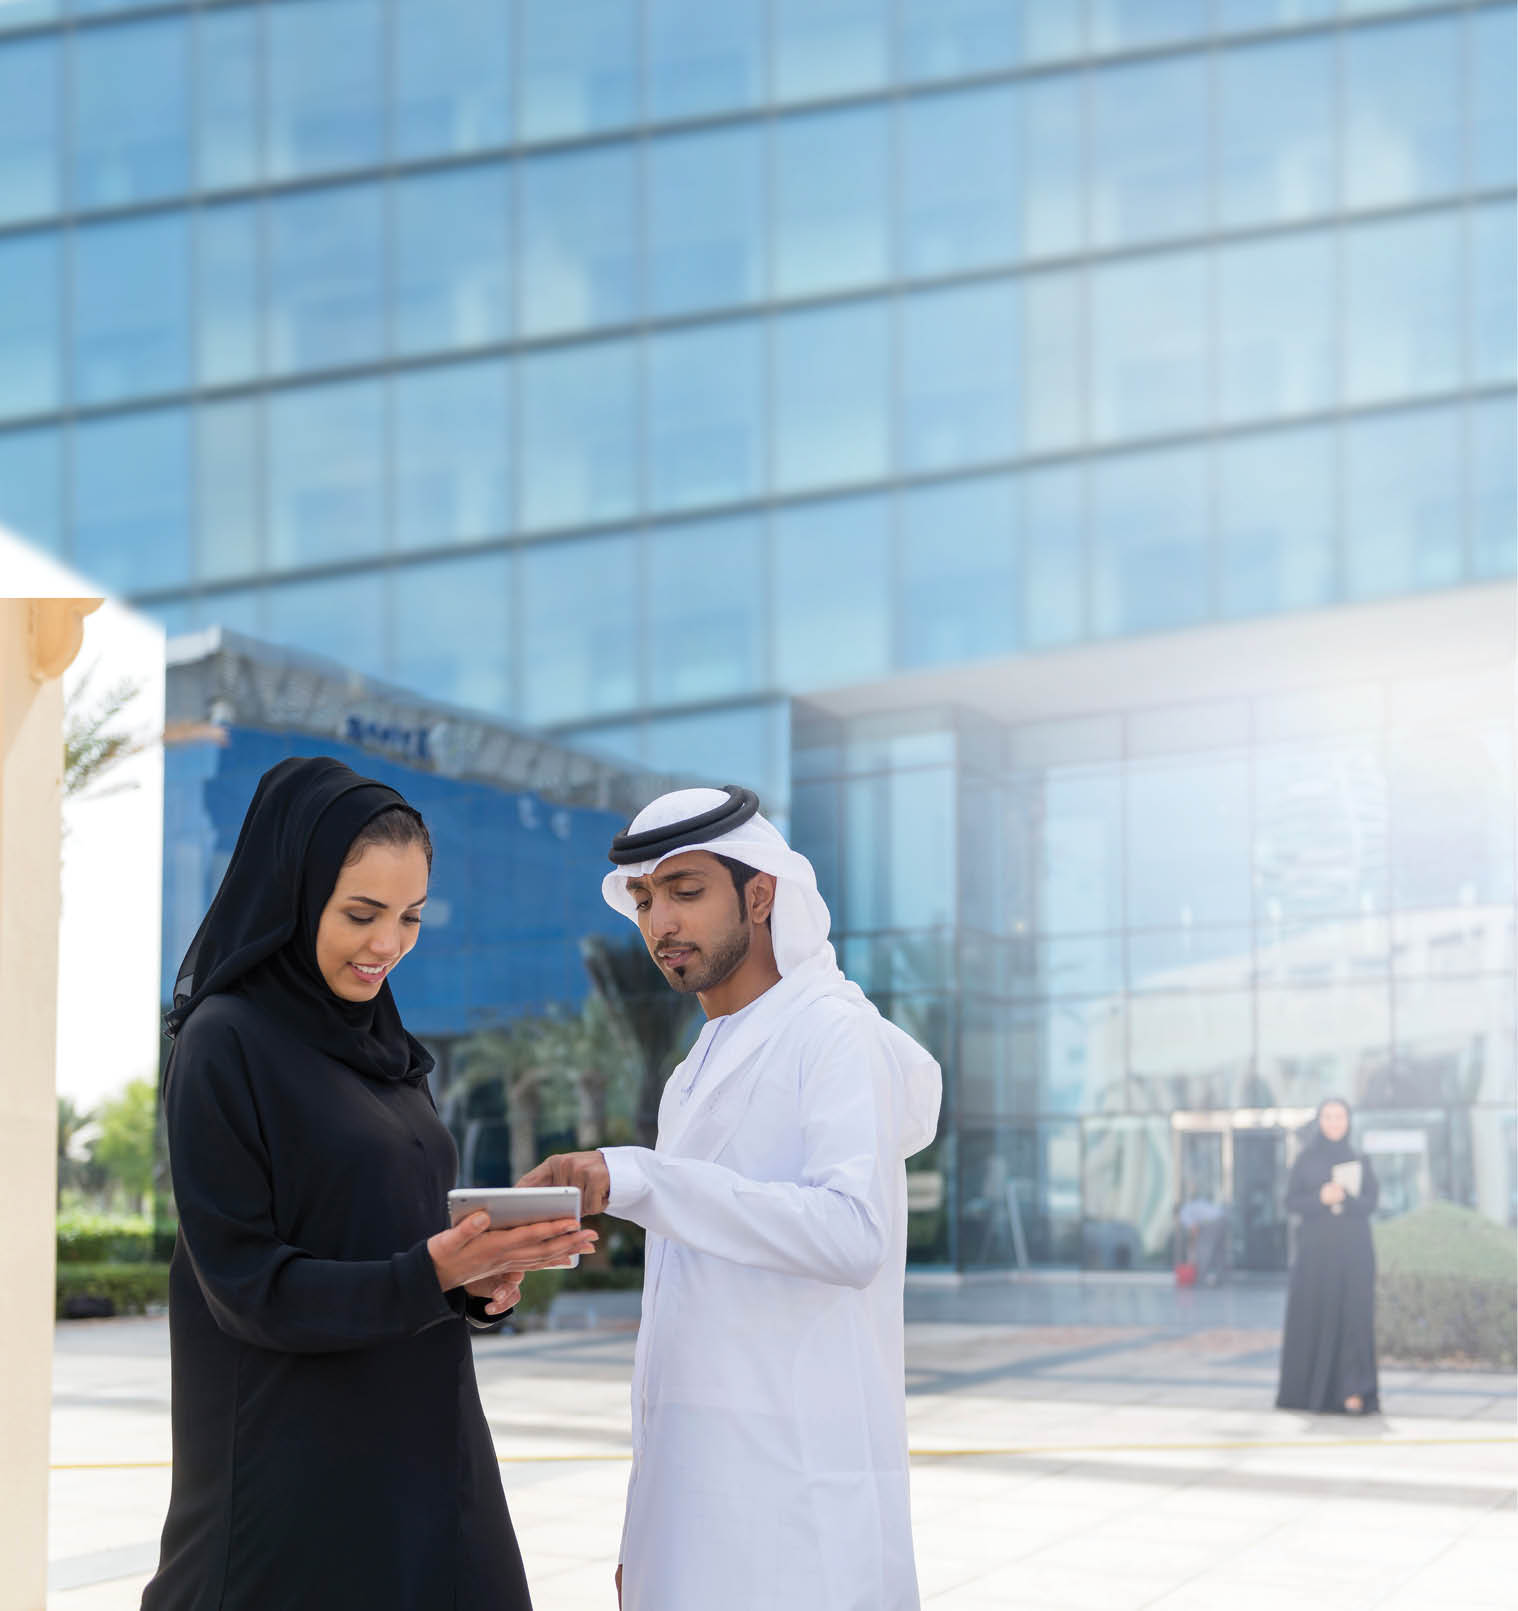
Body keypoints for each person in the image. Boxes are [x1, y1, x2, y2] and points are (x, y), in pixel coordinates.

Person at [141, 757, 596, 1611]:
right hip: (299, 1471)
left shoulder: (387, 1050)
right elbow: (246, 1286)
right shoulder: (224, 1043)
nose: (388, 943)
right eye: (361, 913)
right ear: (294, 891)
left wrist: (477, 1283)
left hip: (429, 1450)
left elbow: (395, 1238)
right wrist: (432, 1273)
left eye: (412, 916)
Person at [520, 786, 942, 1611]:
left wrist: (637, 1176)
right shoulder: (698, 1065)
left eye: (685, 891)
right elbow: (691, 1313)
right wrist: (650, 1531)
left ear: (760, 894)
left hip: (797, 1512)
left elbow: (853, 1234)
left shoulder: (829, 1032)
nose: (659, 924)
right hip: (697, 1511)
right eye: (643, 899)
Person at [1276, 1097, 1381, 1416]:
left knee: (1354, 1319)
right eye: (1328, 1116)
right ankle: (1314, 1392)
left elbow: (1371, 1203)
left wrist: (1345, 1198)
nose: (1334, 1122)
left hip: (1354, 1253)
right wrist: (1320, 1197)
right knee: (1317, 1316)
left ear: (1348, 1121)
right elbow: (1291, 1203)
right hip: (1317, 1257)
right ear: (1319, 1121)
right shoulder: (1306, 1159)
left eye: (1340, 1116)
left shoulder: (1360, 1159)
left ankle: (1353, 1389)